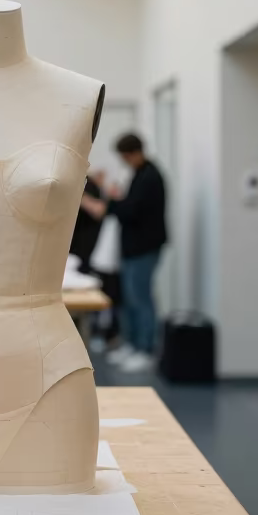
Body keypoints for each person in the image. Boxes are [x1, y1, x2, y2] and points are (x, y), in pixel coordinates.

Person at [81, 134, 167, 372]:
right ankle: (132, 344)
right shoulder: (139, 174)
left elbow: (131, 210)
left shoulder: (150, 177)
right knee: (130, 298)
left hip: (143, 249)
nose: (124, 161)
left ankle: (146, 349)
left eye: (125, 157)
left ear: (133, 153)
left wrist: (110, 200)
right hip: (132, 249)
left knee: (141, 298)